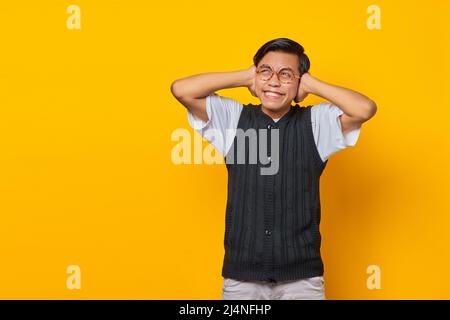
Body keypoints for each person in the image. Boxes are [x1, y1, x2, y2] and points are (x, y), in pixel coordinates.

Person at [170, 38, 377, 300]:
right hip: (241, 279)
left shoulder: (316, 123)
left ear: (299, 81)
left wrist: (311, 84)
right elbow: (181, 89)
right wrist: (247, 76)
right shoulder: (234, 119)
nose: (274, 81)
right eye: (265, 71)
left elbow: (364, 108)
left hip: (302, 280)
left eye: (286, 74)